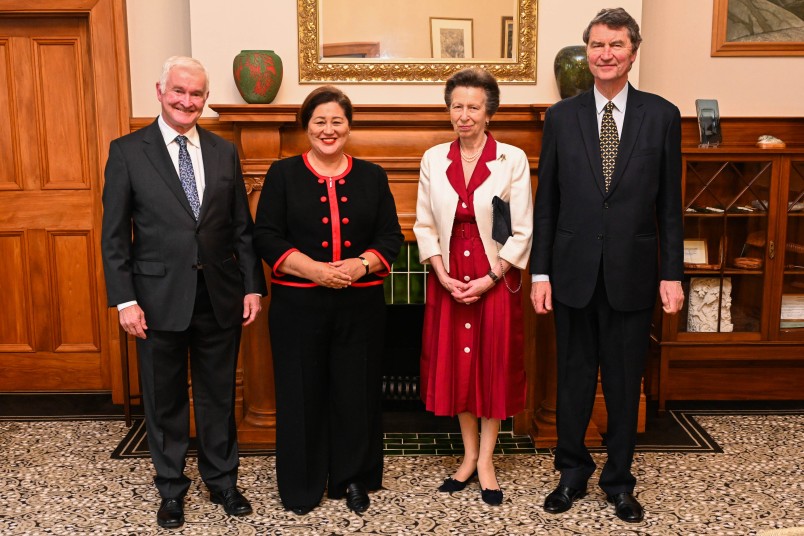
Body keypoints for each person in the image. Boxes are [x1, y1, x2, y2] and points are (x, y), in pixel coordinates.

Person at [530, 8, 685, 524]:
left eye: (616, 44)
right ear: (587, 52)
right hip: (572, 272)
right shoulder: (561, 117)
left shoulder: (661, 115)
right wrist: (541, 272)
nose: (606, 53)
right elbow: (546, 200)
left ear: (632, 53)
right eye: (597, 44)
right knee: (572, 381)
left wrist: (672, 273)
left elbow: (669, 204)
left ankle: (619, 480)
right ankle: (571, 473)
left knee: (622, 385)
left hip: (634, 274)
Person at [101, 56, 266, 529]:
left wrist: (252, 287)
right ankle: (171, 488)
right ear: (159, 90)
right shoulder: (128, 151)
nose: (187, 101)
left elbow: (241, 228)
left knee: (218, 396)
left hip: (219, 295)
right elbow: (114, 235)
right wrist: (125, 300)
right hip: (154, 300)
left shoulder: (222, 151)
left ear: (205, 99)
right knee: (164, 398)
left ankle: (223, 481)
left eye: (196, 94)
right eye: (179, 91)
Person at [253, 86, 403, 516]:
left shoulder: (372, 175)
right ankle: (302, 485)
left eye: (337, 121)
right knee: (301, 395)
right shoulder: (282, 175)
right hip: (298, 308)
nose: (328, 129)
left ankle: (352, 479)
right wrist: (315, 270)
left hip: (361, 306)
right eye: (319, 121)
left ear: (349, 126)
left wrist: (360, 265)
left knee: (355, 393)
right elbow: (266, 236)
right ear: (307, 127)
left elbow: (390, 236)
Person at [414, 68, 533, 506]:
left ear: (489, 113)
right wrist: (441, 273)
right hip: (449, 274)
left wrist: (490, 277)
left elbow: (522, 230)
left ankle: (486, 461)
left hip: (494, 274)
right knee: (460, 371)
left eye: (473, 107)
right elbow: (424, 223)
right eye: (457, 106)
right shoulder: (433, 159)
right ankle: (466, 457)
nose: (464, 115)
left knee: (491, 366)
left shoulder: (512, 159)